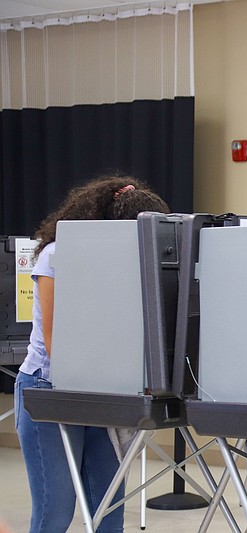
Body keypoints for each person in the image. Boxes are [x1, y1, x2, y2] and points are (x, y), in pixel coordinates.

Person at [14, 176, 169, 533]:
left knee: (108, 508)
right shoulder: (57, 255)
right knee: (55, 510)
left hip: (102, 388)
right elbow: (55, 339)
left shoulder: (129, 263)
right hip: (49, 388)